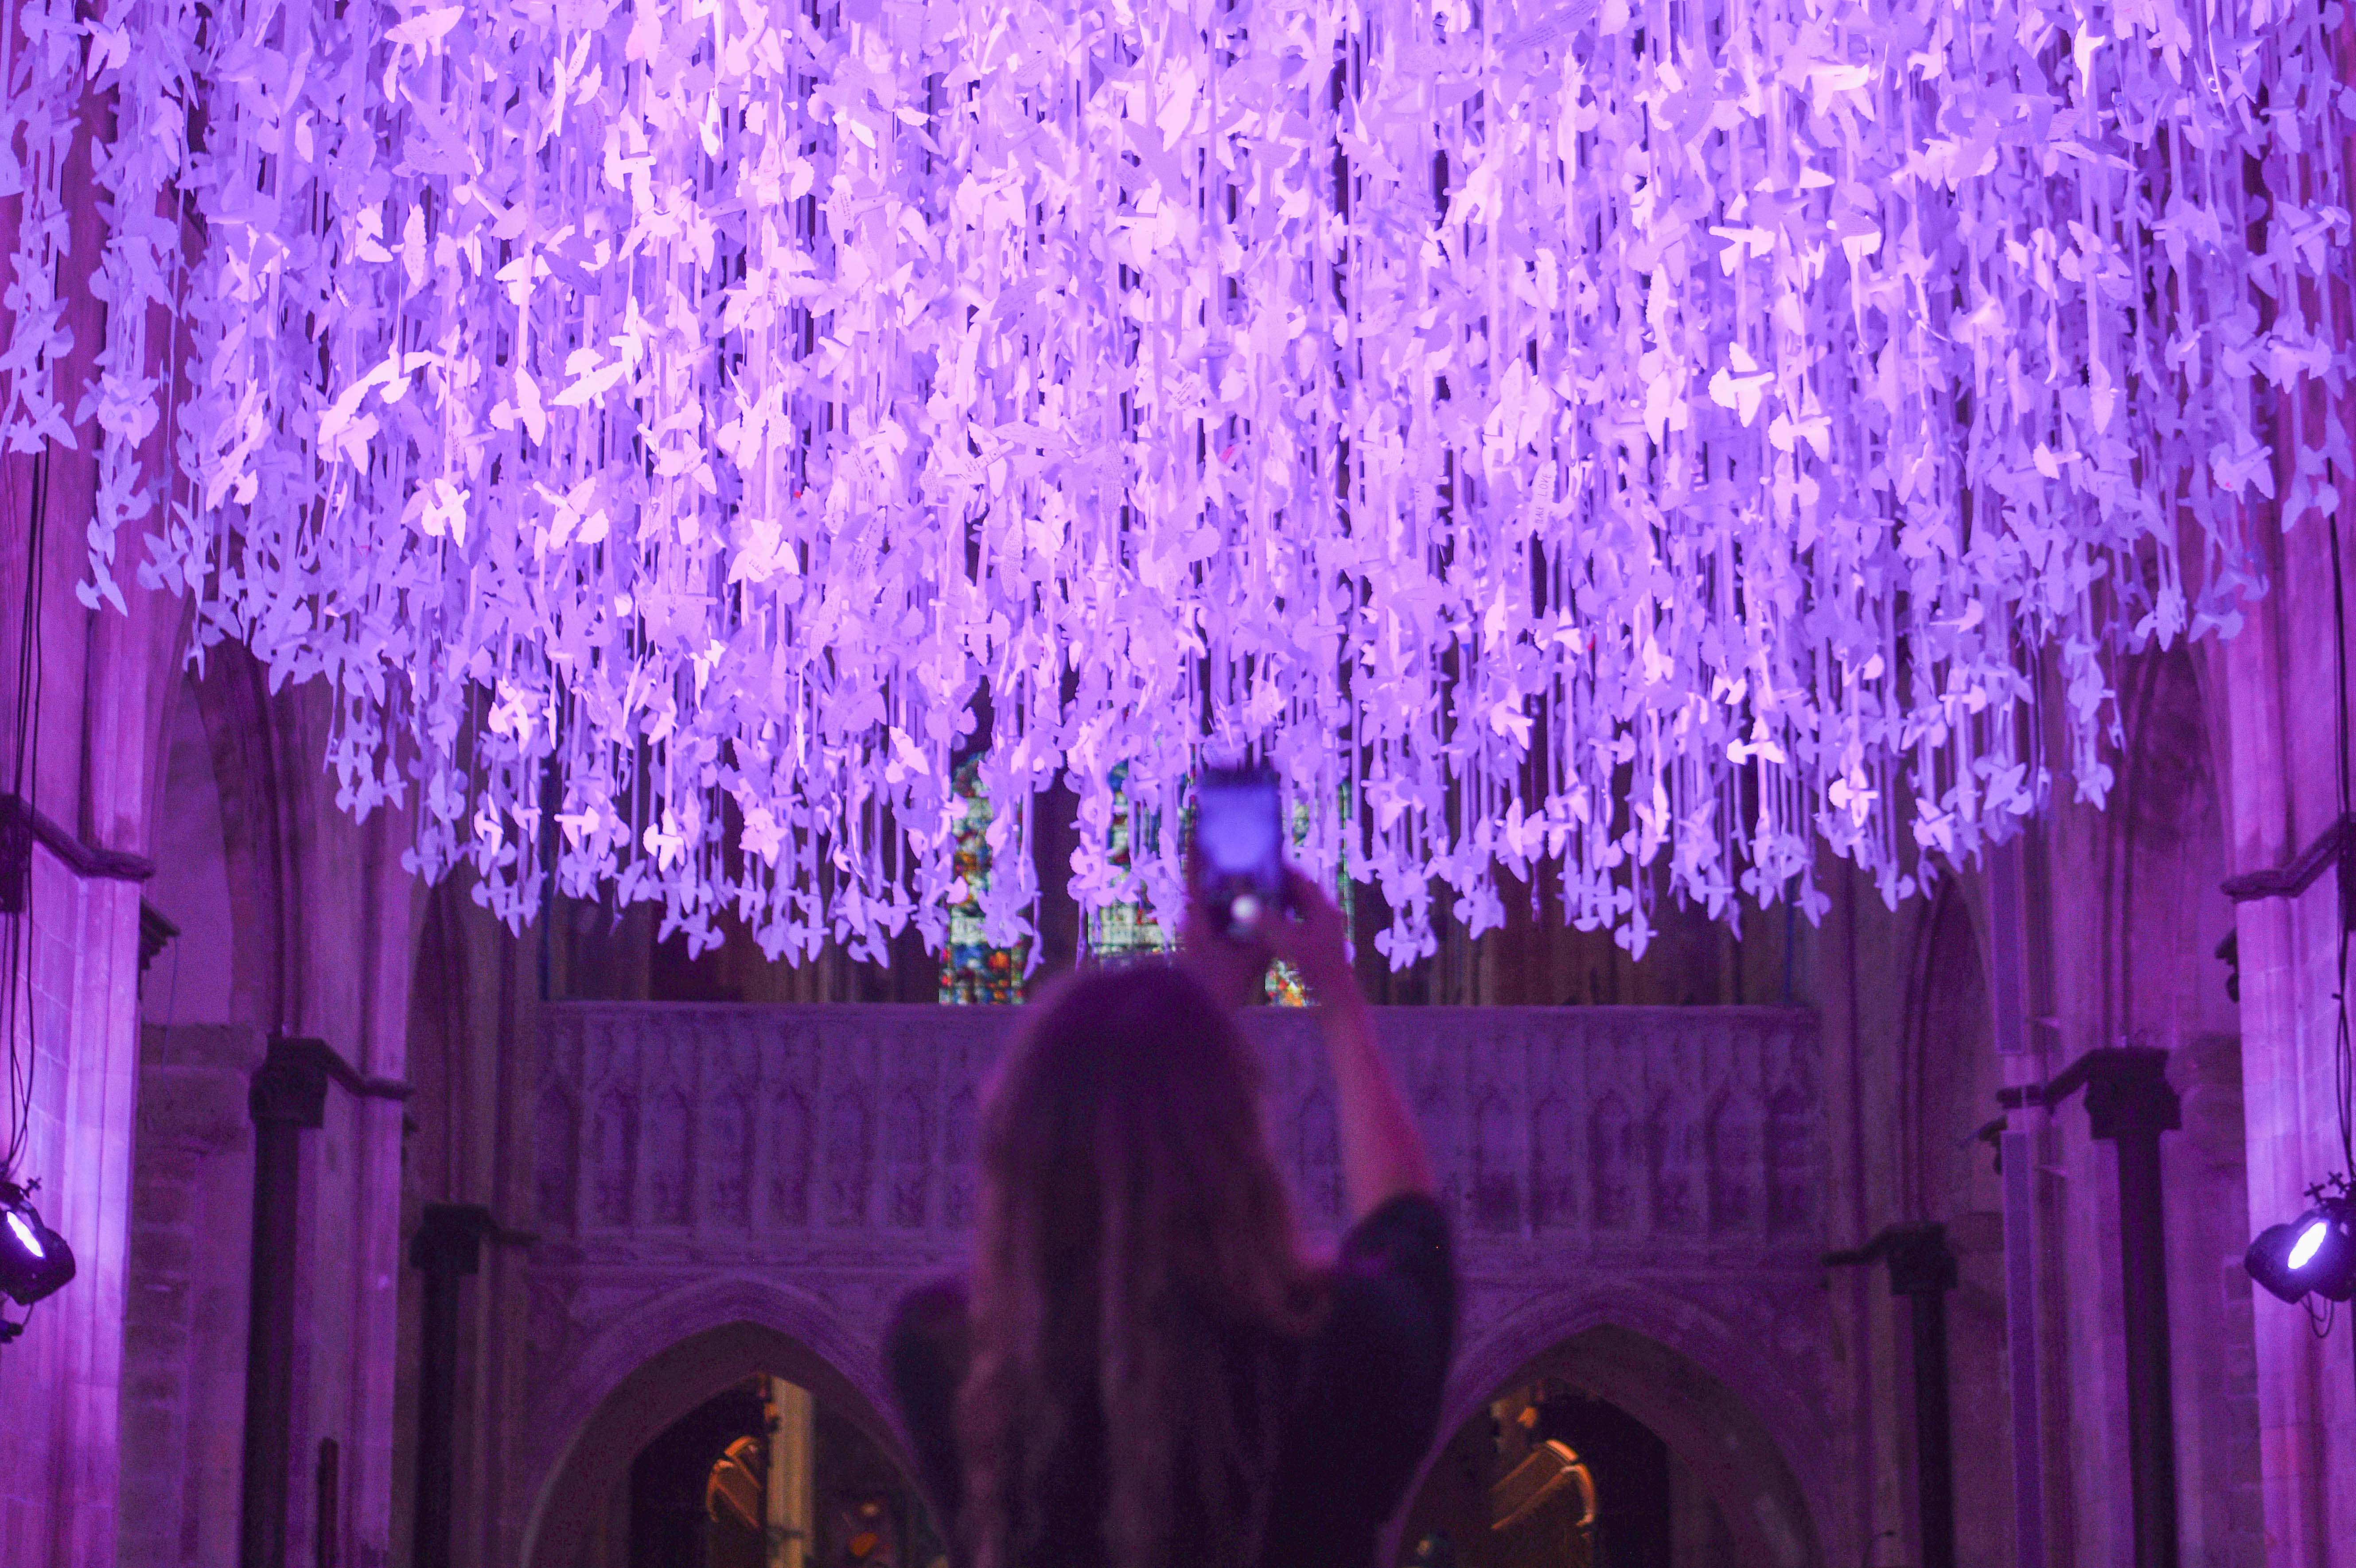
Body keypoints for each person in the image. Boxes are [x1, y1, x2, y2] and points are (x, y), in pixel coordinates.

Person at [885, 869, 1453, 1568]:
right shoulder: (1336, 1353)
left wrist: (1184, 1017)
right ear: (1240, 1149)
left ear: (1014, 1151)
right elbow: (1408, 1233)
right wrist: (1335, 1000)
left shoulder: (947, 1362)